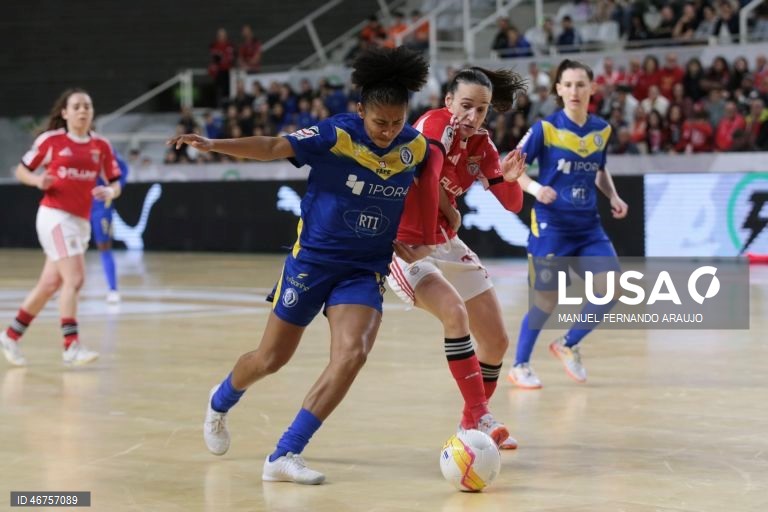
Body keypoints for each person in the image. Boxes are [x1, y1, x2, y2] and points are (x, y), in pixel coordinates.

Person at [167, 47, 439, 485]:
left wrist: (437, 225)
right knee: (270, 359)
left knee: (353, 354)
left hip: (364, 268)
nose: (389, 131)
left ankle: (285, 453)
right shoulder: (336, 135)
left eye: (397, 122)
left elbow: (431, 195)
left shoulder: (415, 146)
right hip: (312, 261)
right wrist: (214, 144)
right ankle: (220, 400)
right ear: (360, 112)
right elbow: (275, 146)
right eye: (379, 122)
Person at [387, 67, 528, 450]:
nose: (472, 116)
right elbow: (427, 179)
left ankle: (471, 424)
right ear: (448, 102)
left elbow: (511, 204)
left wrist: (510, 180)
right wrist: (448, 214)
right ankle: (482, 414)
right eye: (465, 106)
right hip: (407, 242)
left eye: (481, 110)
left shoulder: (482, 145)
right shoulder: (432, 124)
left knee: (496, 340)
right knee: (454, 314)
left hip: (445, 241)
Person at [508, 59, 628, 389]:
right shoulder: (545, 129)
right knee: (546, 301)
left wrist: (613, 197)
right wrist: (535, 188)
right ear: (558, 90)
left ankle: (568, 343)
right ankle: (520, 365)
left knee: (614, 287)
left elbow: (599, 170)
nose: (574, 91)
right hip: (551, 227)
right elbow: (512, 169)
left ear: (592, 89)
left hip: (588, 227)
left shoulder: (602, 129)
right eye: (568, 85)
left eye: (580, 84)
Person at [0, 88, 122, 367]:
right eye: (77, 106)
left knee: (50, 284)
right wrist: (37, 181)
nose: (82, 111)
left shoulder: (101, 145)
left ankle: (10, 335)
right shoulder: (51, 141)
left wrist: (111, 193)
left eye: (87, 106)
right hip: (54, 217)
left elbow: (115, 181)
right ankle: (71, 346)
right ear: (65, 113)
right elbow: (20, 169)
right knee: (75, 279)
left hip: (80, 221)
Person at [90, 151, 129, 303]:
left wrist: (113, 188)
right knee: (69, 247)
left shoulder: (103, 148)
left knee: (104, 245)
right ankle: (66, 285)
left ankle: (113, 289)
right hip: (78, 200)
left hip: (100, 203)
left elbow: (123, 170)